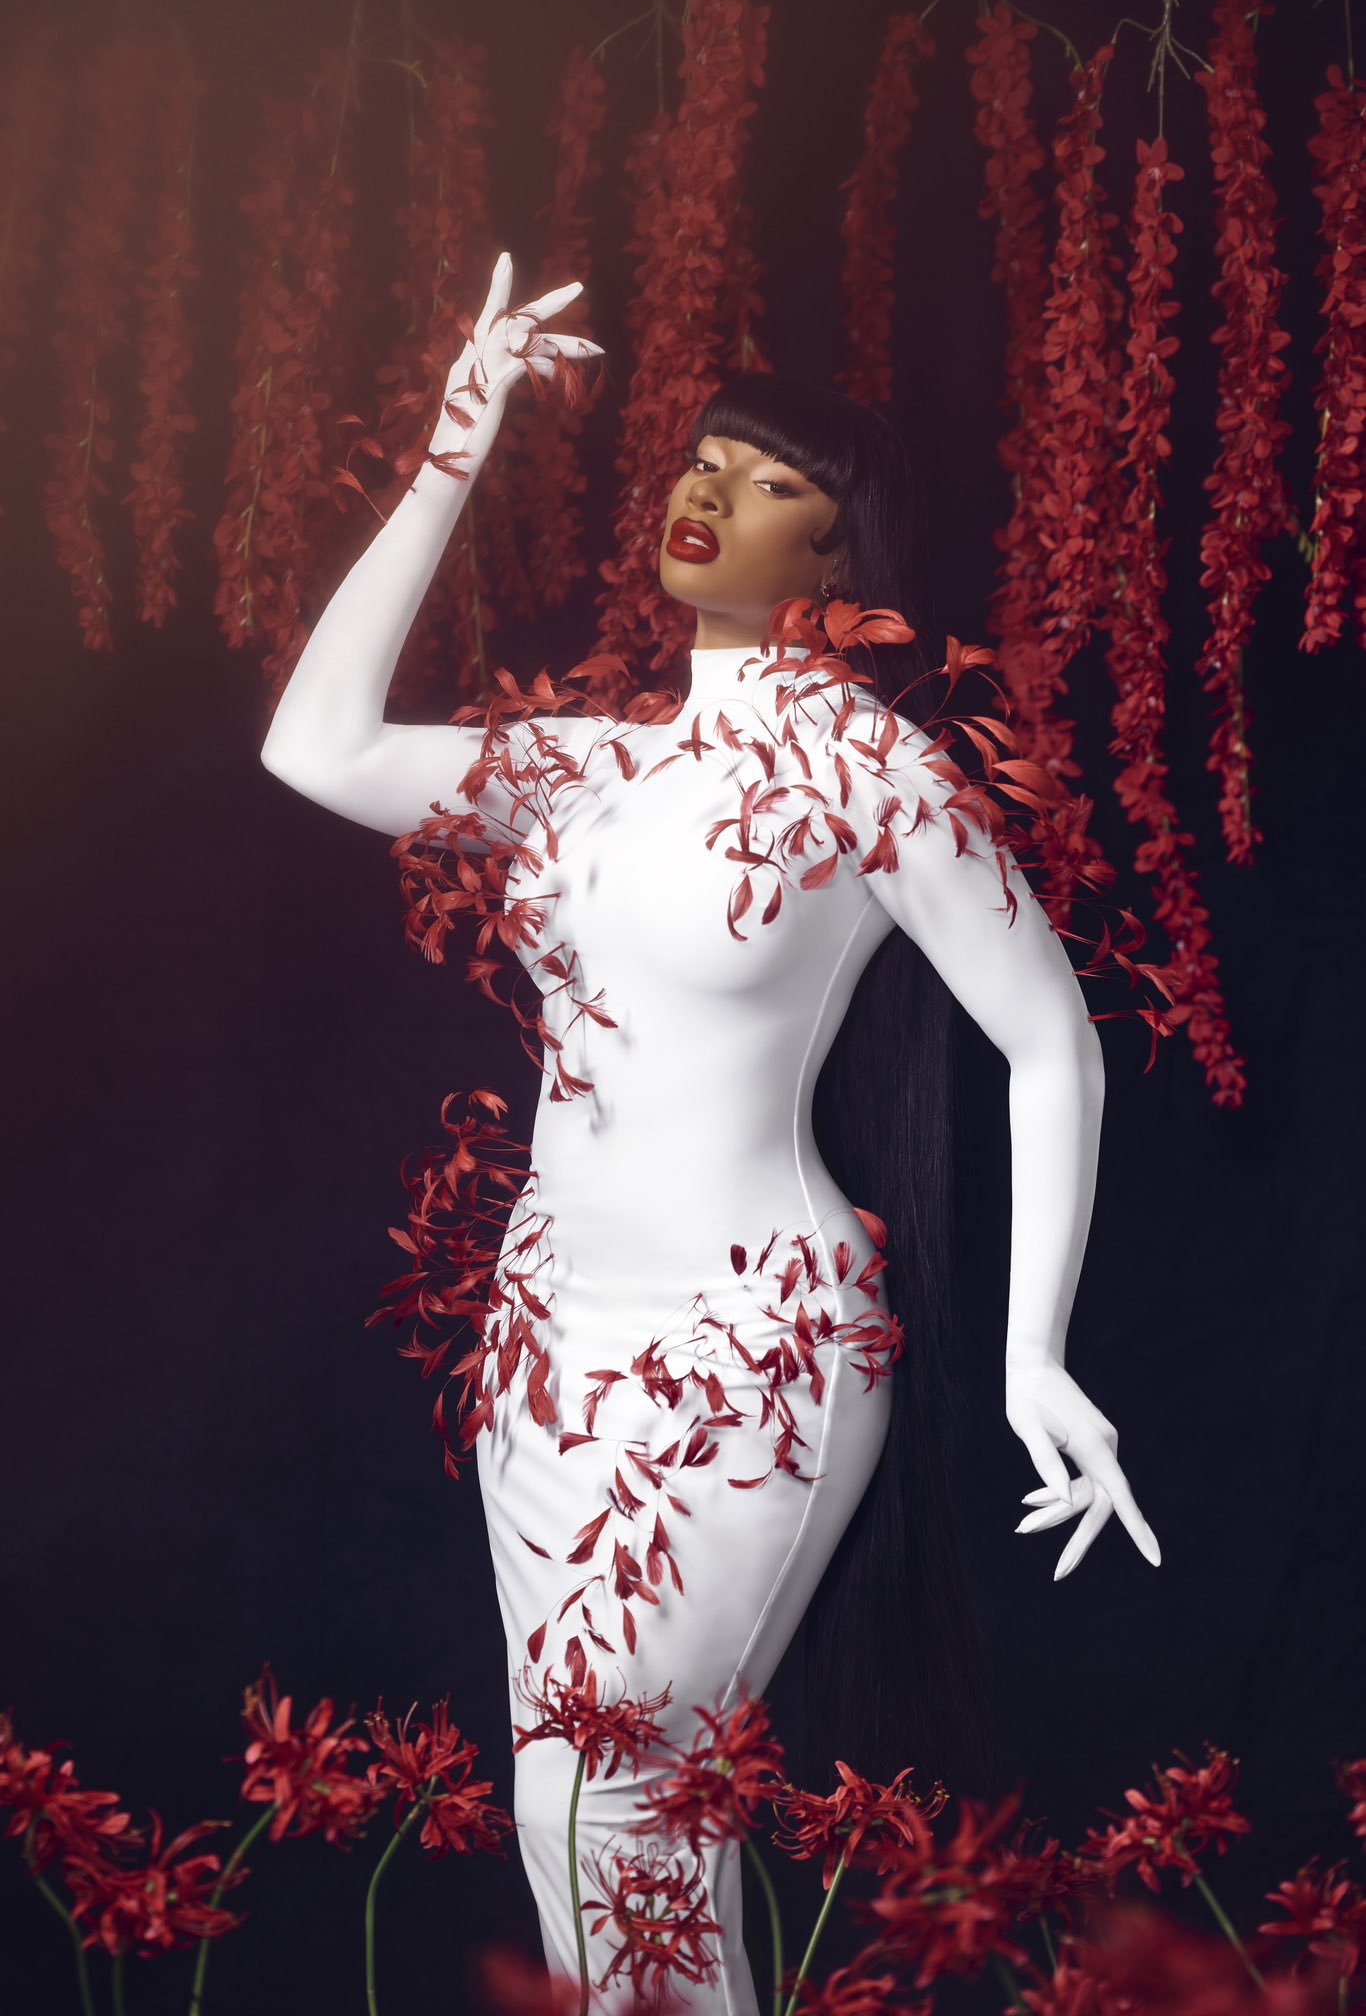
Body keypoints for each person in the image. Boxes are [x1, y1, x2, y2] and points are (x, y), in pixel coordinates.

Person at [260, 251, 1161, 2014]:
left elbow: (1049, 1039)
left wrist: (1030, 1355)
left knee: (621, 1804)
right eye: (700, 459)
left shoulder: (873, 775)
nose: (709, 490)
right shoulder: (586, 769)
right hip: (547, 1341)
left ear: (837, 548)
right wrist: (455, 446)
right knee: (575, 1813)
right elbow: (318, 746)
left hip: (746, 1349)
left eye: (768, 480)